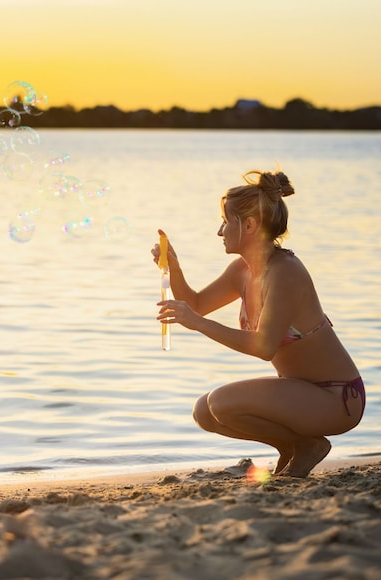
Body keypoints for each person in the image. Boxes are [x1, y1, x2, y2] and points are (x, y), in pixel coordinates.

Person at [154, 170, 364, 478]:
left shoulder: (285, 272)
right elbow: (196, 304)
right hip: (301, 394)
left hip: (336, 398)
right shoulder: (242, 270)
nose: (219, 231)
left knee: (221, 403)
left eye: (226, 222)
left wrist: (197, 323)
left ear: (250, 225)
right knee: (205, 411)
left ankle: (309, 446)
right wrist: (174, 267)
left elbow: (264, 347)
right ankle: (294, 446)